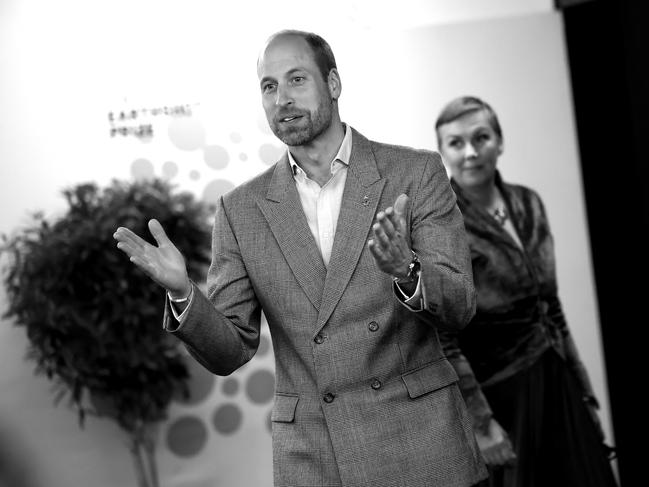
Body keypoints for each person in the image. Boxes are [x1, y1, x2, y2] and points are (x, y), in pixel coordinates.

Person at [114, 30, 487, 487]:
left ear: (332, 83)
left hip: (421, 443)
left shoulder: (414, 172)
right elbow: (231, 350)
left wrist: (407, 270)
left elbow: (461, 306)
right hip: (317, 454)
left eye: (296, 80)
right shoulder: (241, 209)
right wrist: (182, 294)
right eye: (269, 87)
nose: (282, 99)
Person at [435, 95, 618, 487]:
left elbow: (550, 306)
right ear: (442, 153)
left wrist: (584, 394)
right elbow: (443, 337)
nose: (471, 152)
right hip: (501, 396)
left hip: (557, 380)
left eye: (481, 137)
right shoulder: (440, 224)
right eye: (456, 143)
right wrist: (482, 425)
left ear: (500, 142)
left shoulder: (528, 202)